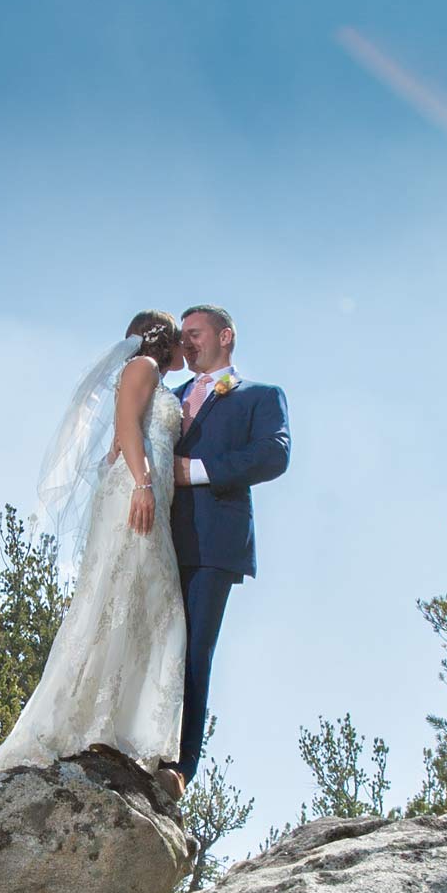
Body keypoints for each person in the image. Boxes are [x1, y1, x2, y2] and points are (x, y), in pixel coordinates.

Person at [0, 310, 190, 810]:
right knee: (139, 603)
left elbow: (120, 436)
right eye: (179, 338)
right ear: (164, 339)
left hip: (140, 487)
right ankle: (103, 724)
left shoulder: (149, 375)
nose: (182, 347)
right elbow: (129, 427)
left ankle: (120, 725)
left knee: (142, 604)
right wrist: (145, 484)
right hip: (137, 491)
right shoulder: (146, 368)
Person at [162, 304, 290, 799]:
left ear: (226, 336)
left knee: (194, 648)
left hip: (214, 541)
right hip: (155, 538)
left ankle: (180, 764)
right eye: (182, 336)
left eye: (194, 333)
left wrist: (191, 471)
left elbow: (273, 454)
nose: (186, 342)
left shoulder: (259, 396)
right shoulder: (164, 398)